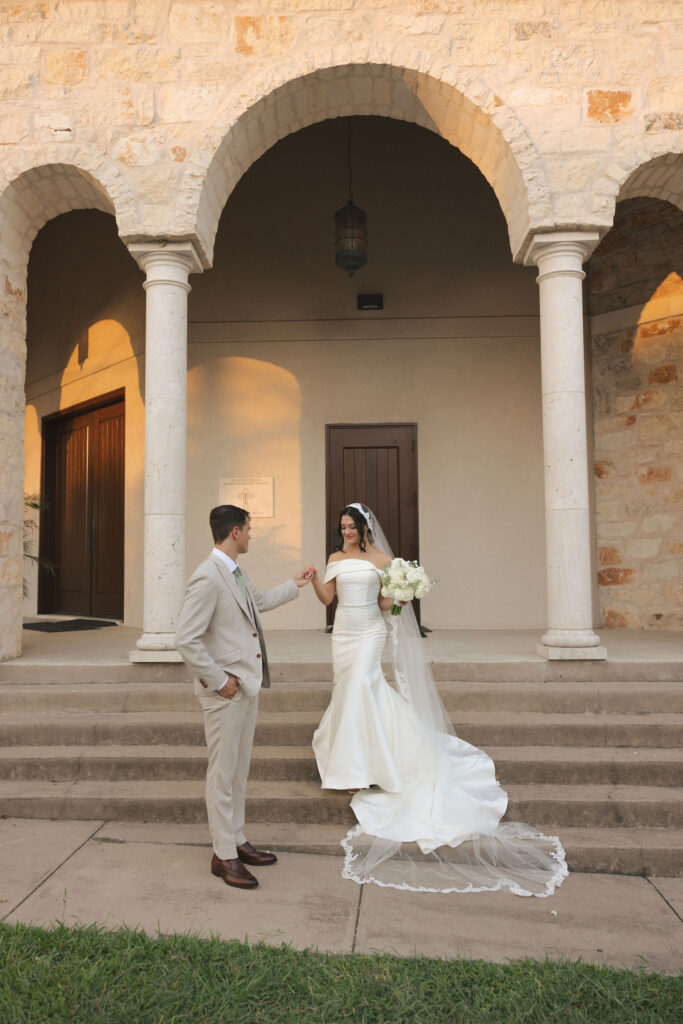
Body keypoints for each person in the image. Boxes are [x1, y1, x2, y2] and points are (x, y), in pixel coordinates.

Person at [308, 502, 568, 896]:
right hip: (343, 634)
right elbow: (328, 598)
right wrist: (312, 579)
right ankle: (359, 759)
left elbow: (384, 604)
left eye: (351, 527)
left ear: (365, 529)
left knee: (362, 685)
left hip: (369, 632)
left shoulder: (382, 559)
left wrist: (400, 597)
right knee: (349, 691)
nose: (345, 532)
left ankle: (358, 770)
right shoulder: (334, 558)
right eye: (341, 527)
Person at [175, 504, 313, 890]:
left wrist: (295, 583)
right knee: (221, 775)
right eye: (249, 529)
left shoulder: (235, 571)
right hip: (225, 693)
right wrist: (219, 681)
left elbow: (260, 602)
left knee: (238, 772)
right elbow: (185, 639)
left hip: (247, 686)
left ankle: (236, 839)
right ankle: (223, 855)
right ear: (235, 532)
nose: (252, 535)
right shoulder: (207, 576)